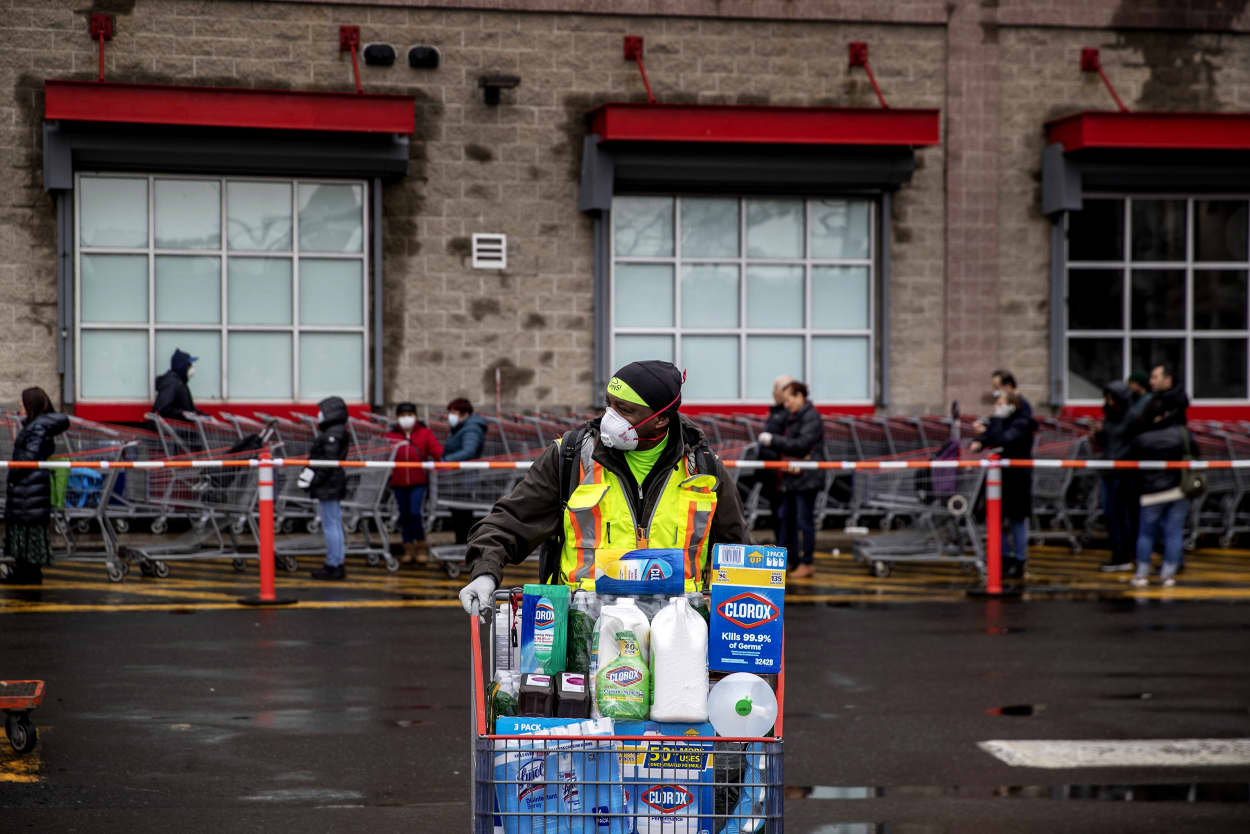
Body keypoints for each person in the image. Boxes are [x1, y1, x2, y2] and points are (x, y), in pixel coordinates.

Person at [457, 360, 748, 615]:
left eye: (625, 410)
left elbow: (739, 552)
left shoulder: (704, 471)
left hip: (677, 637)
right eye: (609, 404)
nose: (611, 418)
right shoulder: (569, 459)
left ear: (660, 419)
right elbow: (507, 523)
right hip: (582, 637)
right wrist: (485, 573)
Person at [971, 371, 1037, 580]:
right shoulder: (1007, 418)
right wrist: (981, 439)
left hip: (1017, 476)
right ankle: (1003, 557)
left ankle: (1018, 560)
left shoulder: (1022, 420)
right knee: (995, 518)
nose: (996, 402)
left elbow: (1003, 438)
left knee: (1017, 519)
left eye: (999, 399)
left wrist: (996, 421)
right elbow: (994, 435)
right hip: (1002, 475)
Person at [3, 387, 70, 585]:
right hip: (30, 489)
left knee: (27, 530)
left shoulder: (37, 427)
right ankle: (26, 571)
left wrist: (14, 473)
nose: (20, 407)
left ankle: (28, 573)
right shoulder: (36, 425)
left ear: (31, 405)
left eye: (23, 404)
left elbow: (29, 457)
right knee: (26, 531)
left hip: (29, 488)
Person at [758, 381, 823, 578]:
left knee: (804, 521)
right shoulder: (795, 416)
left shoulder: (811, 417)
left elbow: (802, 444)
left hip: (807, 476)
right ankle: (791, 561)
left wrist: (773, 440)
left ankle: (807, 562)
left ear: (800, 396)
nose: (786, 405)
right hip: (793, 476)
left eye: (789, 400)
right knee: (787, 519)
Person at [1129, 399, 1191, 589]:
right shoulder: (1181, 434)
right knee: (1174, 533)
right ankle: (1168, 575)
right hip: (1178, 490)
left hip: (1151, 493)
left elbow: (1131, 462)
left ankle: (1142, 574)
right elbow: (1194, 453)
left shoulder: (1142, 438)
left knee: (1146, 533)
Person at [299, 396, 351, 581]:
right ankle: (337, 562)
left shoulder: (332, 434)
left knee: (331, 525)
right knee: (334, 523)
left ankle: (333, 564)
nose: (319, 415)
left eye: (322, 411)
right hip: (332, 483)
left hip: (329, 484)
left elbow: (327, 462)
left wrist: (314, 479)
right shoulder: (336, 431)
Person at [386, 402, 442, 566]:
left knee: (415, 513)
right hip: (399, 482)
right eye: (403, 415)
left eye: (410, 414)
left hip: (418, 481)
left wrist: (445, 461)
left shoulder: (424, 433)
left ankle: (421, 545)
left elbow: (437, 451)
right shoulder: (391, 436)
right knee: (403, 515)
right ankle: (408, 548)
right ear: (397, 418)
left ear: (415, 417)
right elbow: (383, 454)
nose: (406, 418)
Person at [1094, 381, 1137, 572]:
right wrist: (1097, 435)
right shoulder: (1110, 417)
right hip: (1109, 470)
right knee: (1111, 515)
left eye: (1111, 397)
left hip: (1123, 474)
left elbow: (1135, 443)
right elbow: (1107, 441)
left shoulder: (1131, 417)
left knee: (1121, 515)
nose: (1108, 401)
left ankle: (1124, 555)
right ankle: (1119, 553)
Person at [442, 397, 488, 544]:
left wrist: (446, 460)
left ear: (464, 413)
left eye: (453, 412)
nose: (451, 416)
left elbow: (468, 451)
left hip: (464, 478)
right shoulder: (462, 428)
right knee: (459, 513)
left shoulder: (471, 429)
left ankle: (464, 545)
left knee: (462, 513)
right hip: (459, 477)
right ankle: (461, 544)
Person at [153, 349, 203, 420]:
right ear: (182, 366)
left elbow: (187, 409)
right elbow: (163, 408)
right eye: (189, 365)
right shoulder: (172, 383)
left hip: (180, 427)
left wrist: (201, 415)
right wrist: (183, 414)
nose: (192, 368)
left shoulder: (180, 382)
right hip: (175, 428)